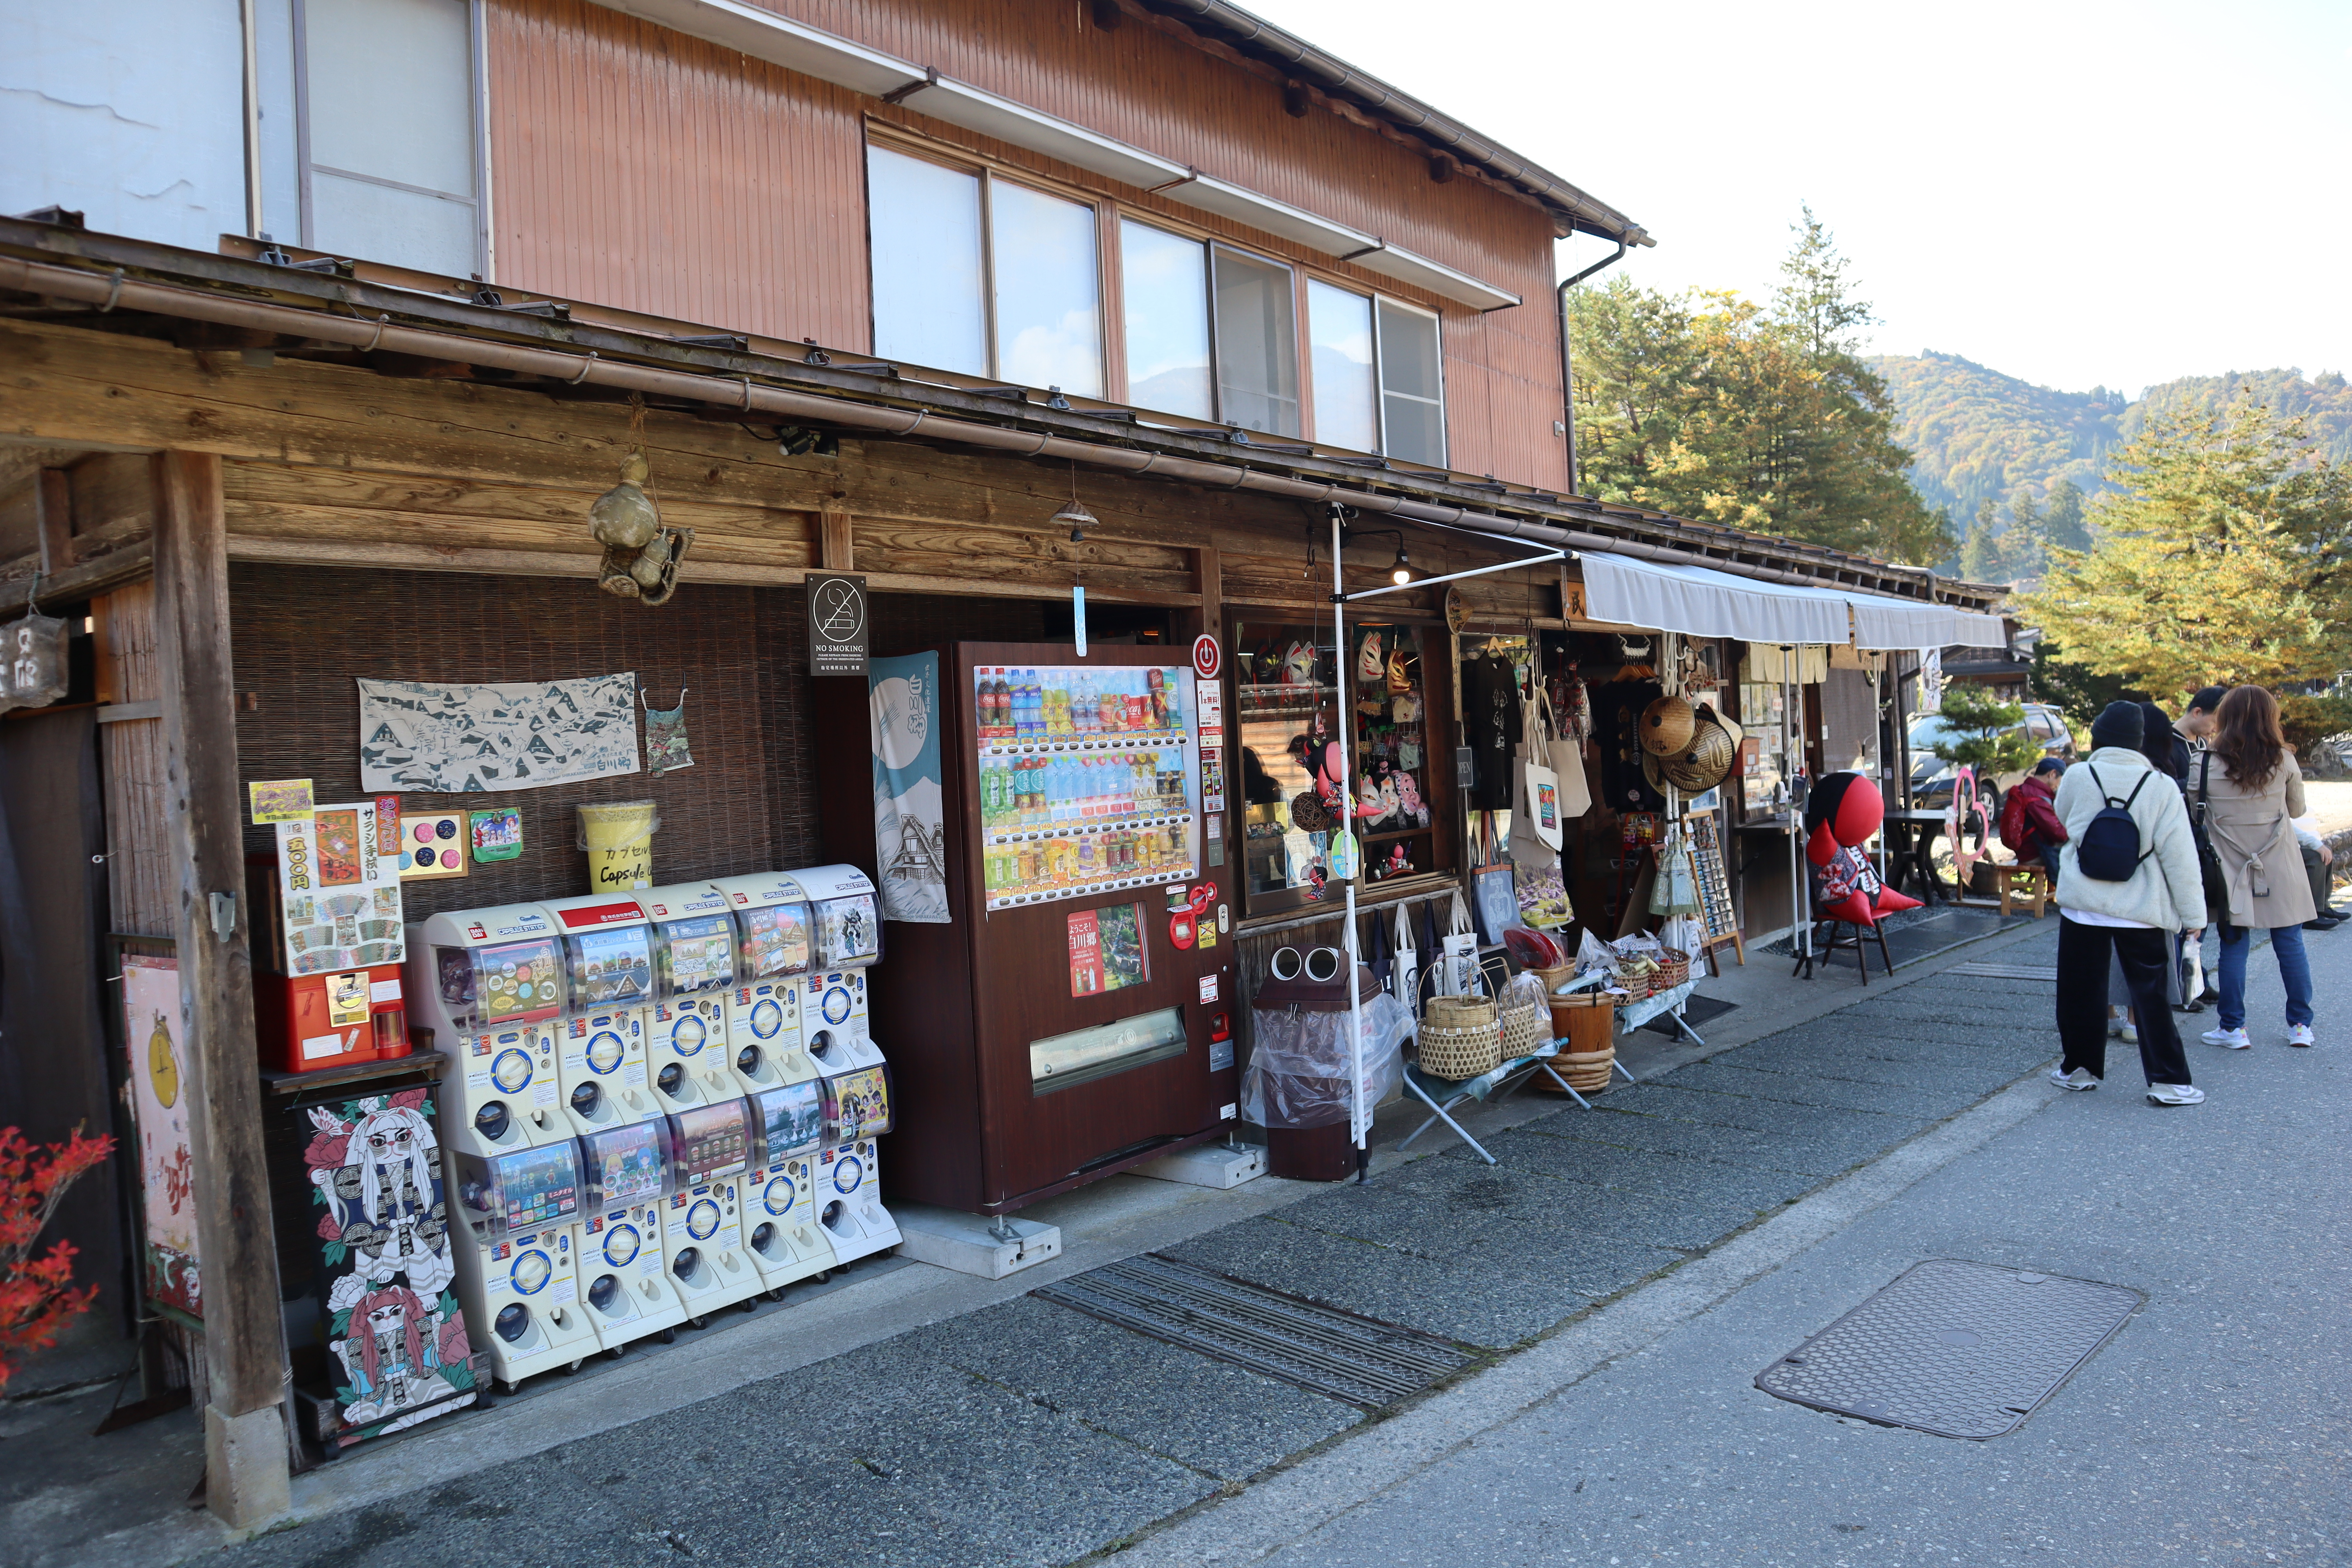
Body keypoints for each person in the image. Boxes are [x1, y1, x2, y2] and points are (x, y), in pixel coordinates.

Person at [2048, 701, 2207, 1104]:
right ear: (2138, 742)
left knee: (2080, 991)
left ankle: (2077, 1068)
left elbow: (2064, 819)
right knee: (2151, 996)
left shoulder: (2079, 775)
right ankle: (2169, 1081)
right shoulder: (2161, 786)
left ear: (2099, 737)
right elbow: (2180, 858)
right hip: (2142, 907)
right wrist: (2194, 916)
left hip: (2083, 903)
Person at [2195, 686, 2318, 1048]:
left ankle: (2233, 1028)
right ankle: (2300, 1026)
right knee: (2290, 941)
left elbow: (2195, 813)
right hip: (2278, 862)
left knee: (2234, 945)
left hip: (2228, 866)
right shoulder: (2284, 760)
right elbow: (2297, 811)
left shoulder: (2203, 762)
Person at [2001, 756, 2068, 881]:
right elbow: (2058, 834)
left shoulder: (2025, 790)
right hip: (2034, 854)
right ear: (2052, 774)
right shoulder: (2036, 798)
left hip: (2026, 850)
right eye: (2060, 780)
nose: (2059, 786)